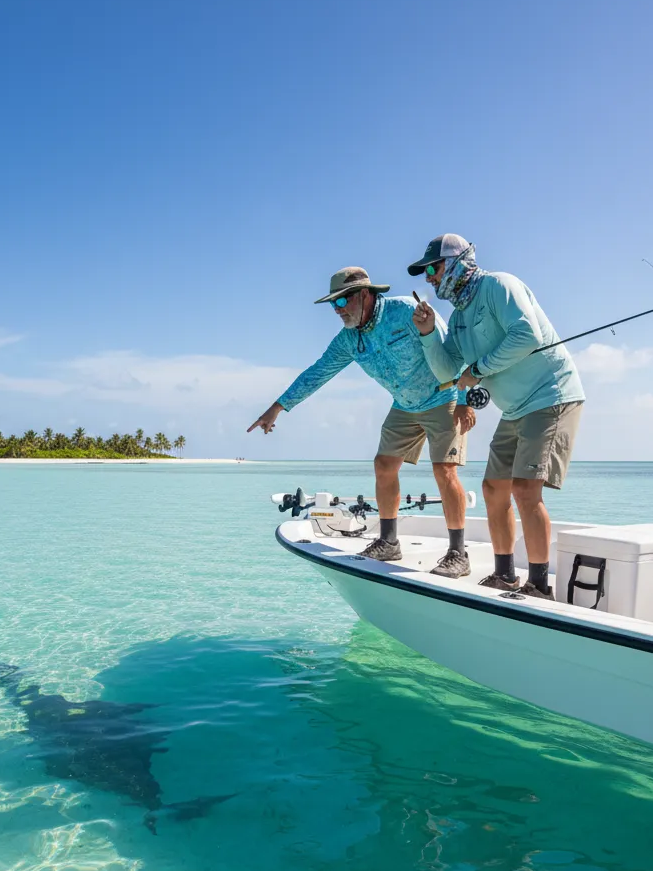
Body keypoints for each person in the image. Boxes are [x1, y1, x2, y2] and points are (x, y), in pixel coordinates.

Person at [248, 266, 476, 577]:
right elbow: (317, 373)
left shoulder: (407, 311)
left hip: (443, 398)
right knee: (383, 466)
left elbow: (453, 352)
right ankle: (389, 541)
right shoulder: (347, 341)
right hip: (405, 406)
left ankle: (458, 554)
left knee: (444, 470)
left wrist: (463, 400)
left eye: (343, 302)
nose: (338, 310)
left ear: (365, 295)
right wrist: (278, 406)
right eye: (333, 304)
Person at [408, 235, 585, 599]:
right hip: (515, 408)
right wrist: (427, 334)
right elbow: (447, 373)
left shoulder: (498, 285)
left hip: (551, 395)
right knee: (492, 488)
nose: (428, 277)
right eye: (425, 272)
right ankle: (505, 575)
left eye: (432, 268)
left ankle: (539, 585)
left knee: (525, 489)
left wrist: (479, 368)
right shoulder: (457, 319)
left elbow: (527, 335)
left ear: (458, 262)